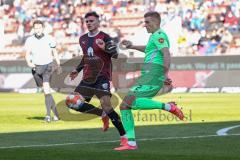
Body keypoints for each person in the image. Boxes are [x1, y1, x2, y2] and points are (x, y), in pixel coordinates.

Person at [114, 11, 184, 151]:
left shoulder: (159, 35)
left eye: (148, 22)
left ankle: (169, 107)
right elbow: (148, 50)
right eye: (144, 22)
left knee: (129, 101)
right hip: (149, 73)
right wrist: (132, 46)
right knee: (124, 106)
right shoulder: (154, 37)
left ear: (156, 22)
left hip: (153, 73)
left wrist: (163, 73)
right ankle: (131, 142)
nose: (145, 25)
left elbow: (166, 53)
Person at [68, 11, 127, 146]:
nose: (89, 23)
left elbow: (115, 55)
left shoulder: (105, 37)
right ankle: (101, 114)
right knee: (72, 103)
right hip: (87, 78)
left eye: (91, 21)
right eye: (87, 21)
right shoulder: (82, 39)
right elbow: (86, 57)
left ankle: (124, 137)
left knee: (108, 107)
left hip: (102, 77)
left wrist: (105, 47)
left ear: (98, 22)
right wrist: (77, 70)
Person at [24, 20, 61, 122]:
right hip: (36, 67)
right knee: (46, 91)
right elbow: (27, 54)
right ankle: (57, 114)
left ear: (43, 28)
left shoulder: (49, 38)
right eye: (36, 28)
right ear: (34, 29)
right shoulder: (29, 40)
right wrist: (29, 63)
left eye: (39, 28)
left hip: (48, 66)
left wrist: (58, 64)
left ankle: (48, 115)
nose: (38, 30)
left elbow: (54, 51)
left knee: (46, 89)